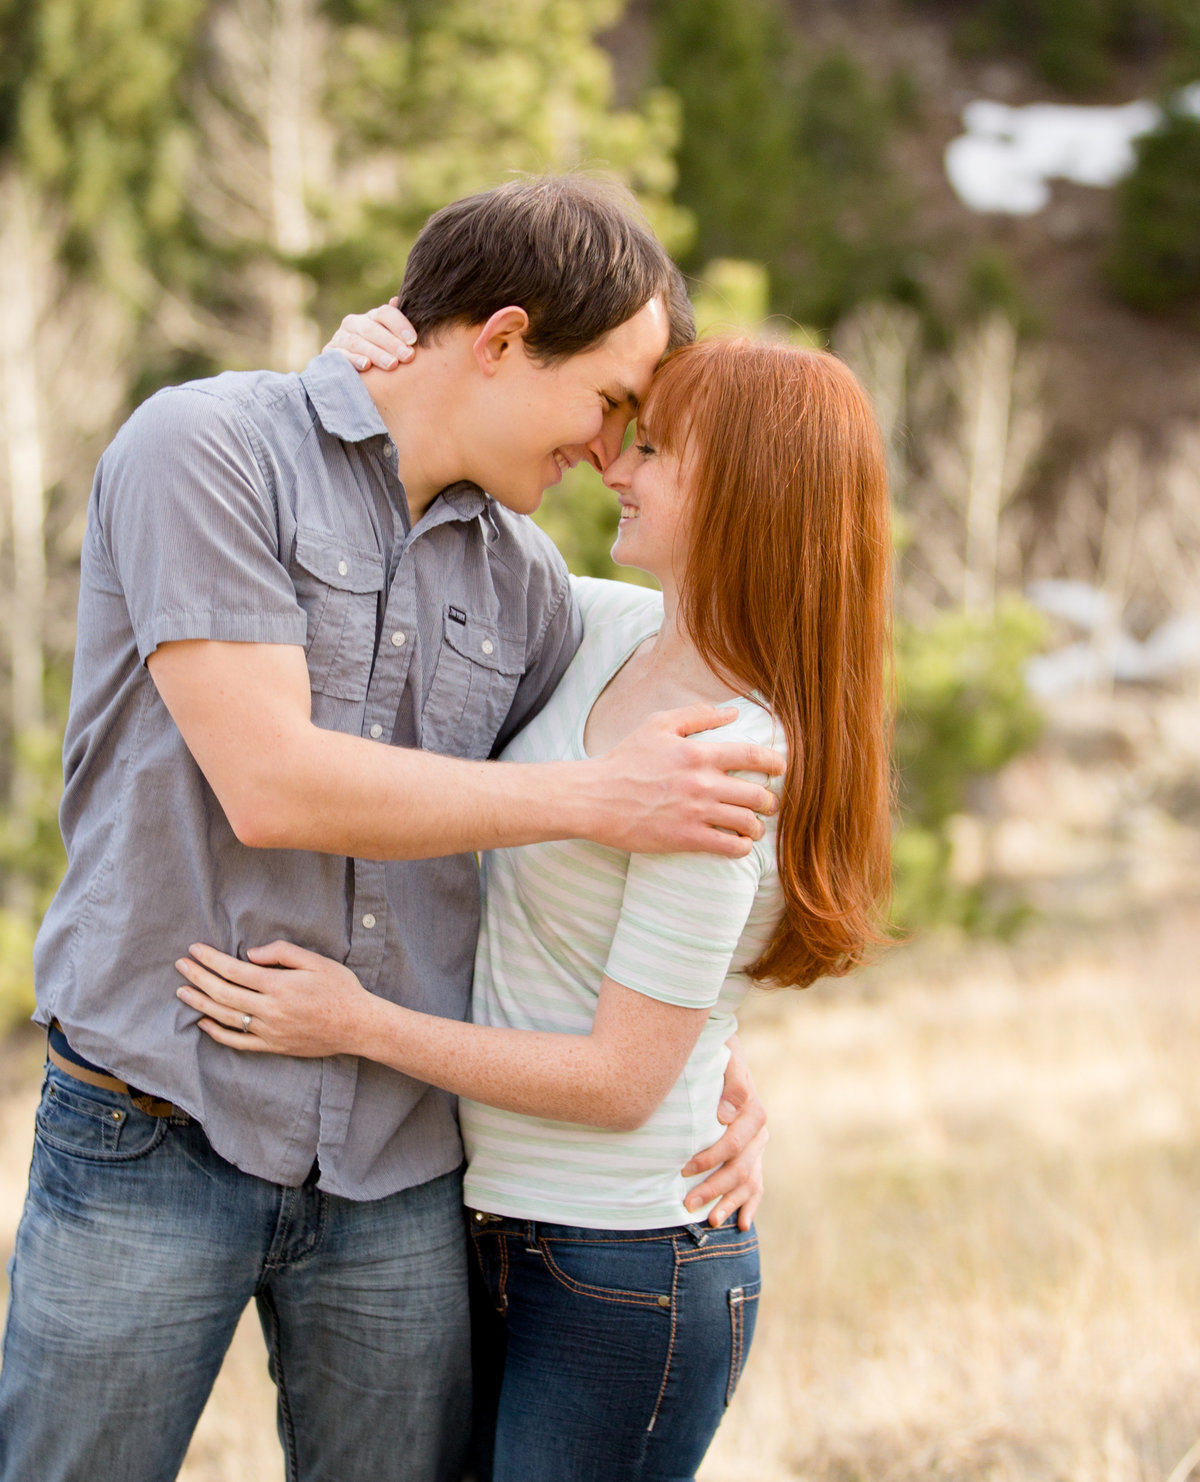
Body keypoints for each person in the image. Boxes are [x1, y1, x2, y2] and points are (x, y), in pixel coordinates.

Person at [0, 177, 782, 1482]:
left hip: (401, 1165)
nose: (606, 452)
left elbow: (603, 822)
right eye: (607, 403)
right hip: (155, 1113)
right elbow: (277, 784)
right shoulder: (207, 449)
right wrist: (598, 795)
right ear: (499, 339)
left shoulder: (528, 583)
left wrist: (702, 1051)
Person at [175, 332, 895, 1482]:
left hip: (623, 1264)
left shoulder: (731, 753)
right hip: (493, 1225)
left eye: (655, 449)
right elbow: (430, 498)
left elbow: (620, 1080)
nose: (616, 465)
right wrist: (377, 353)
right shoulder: (606, 630)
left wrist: (355, 1022)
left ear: (749, 492)